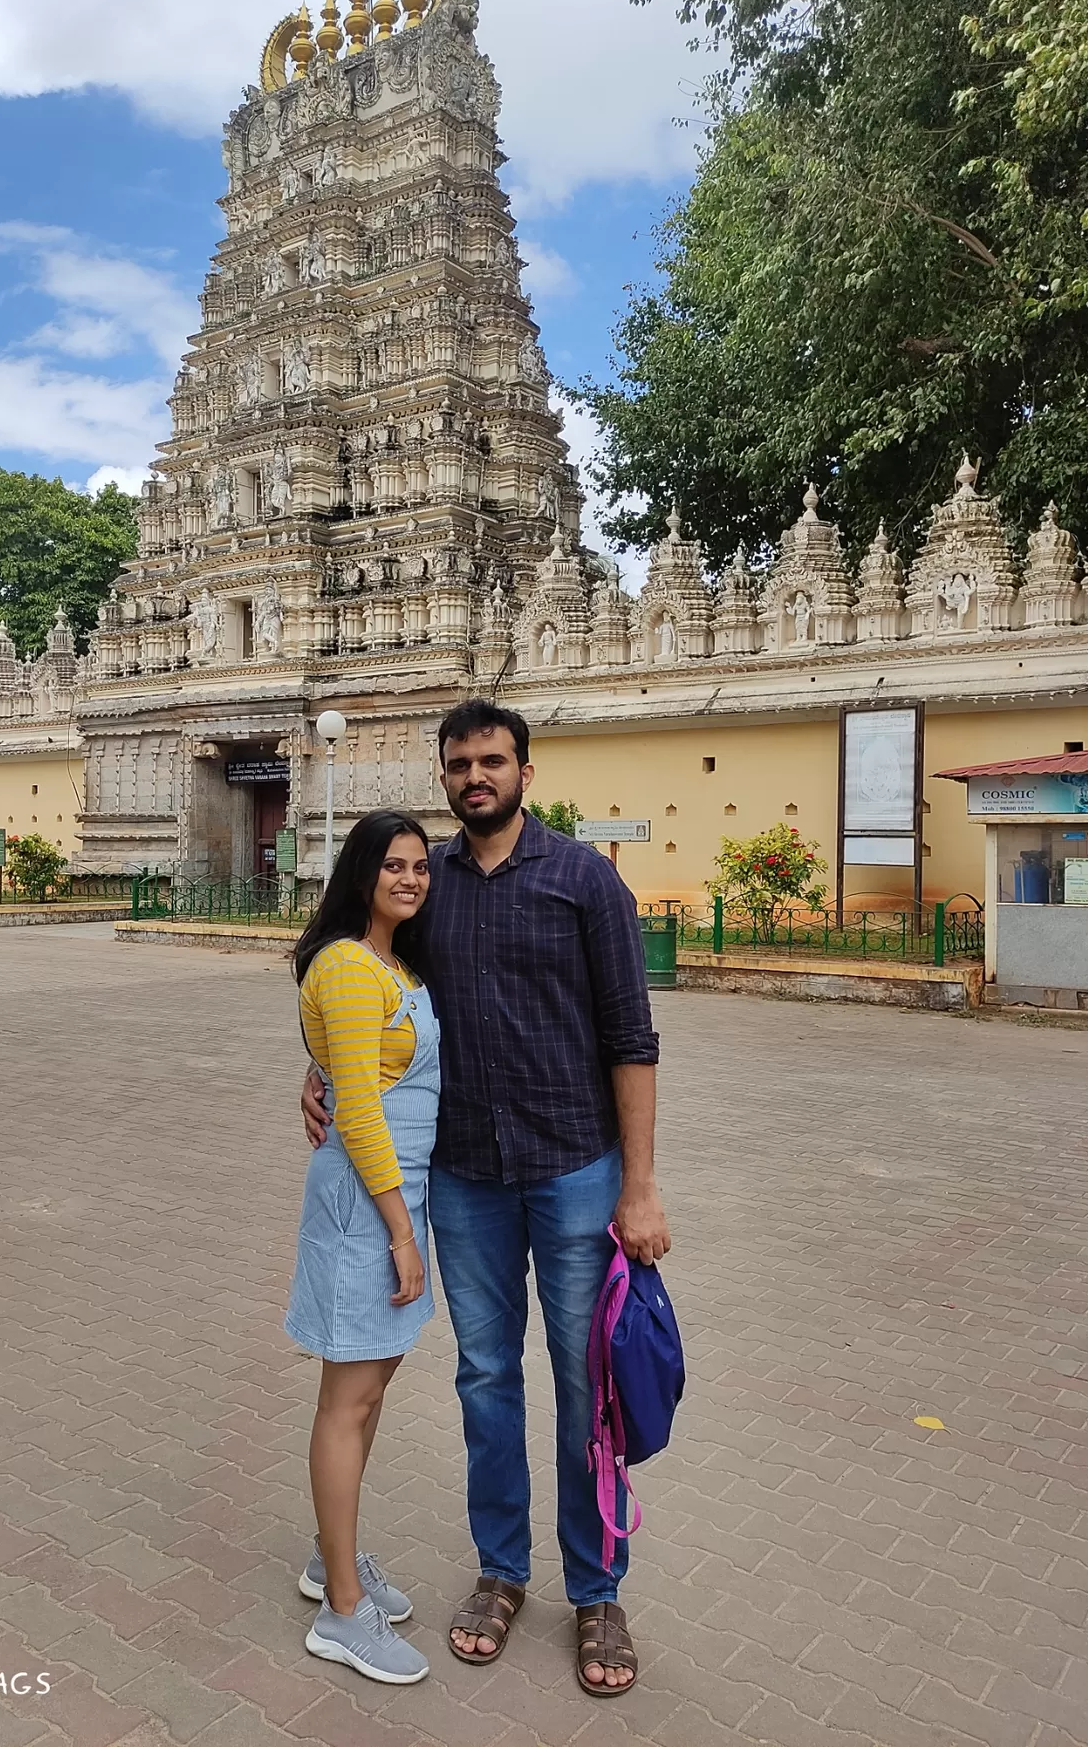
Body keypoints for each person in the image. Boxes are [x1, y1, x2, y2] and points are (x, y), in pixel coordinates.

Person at [303, 700, 669, 1698]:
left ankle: (597, 1588)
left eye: (493, 760)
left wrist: (640, 1185)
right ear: (446, 772)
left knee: (585, 1381)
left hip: (574, 1169)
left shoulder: (586, 882)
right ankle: (502, 1573)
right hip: (465, 1177)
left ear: (525, 771)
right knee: (485, 1379)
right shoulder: (430, 888)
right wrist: (321, 1072)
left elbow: (632, 1039)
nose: (477, 775)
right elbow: (363, 991)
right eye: (460, 762)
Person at [286, 809, 436, 1687]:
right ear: (360, 872)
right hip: (367, 1205)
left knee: (370, 1386)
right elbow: (363, 1107)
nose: (410, 878)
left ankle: (328, 1557)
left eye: (420, 866)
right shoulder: (348, 964)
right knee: (348, 1397)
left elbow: (352, 1077)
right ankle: (343, 1612)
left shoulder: (395, 962)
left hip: (395, 1196)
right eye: (393, 865)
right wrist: (399, 1230)